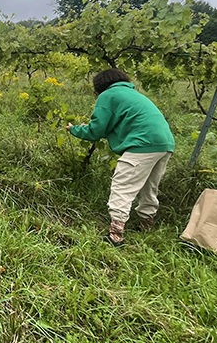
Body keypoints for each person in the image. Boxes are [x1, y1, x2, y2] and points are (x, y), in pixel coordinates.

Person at [66, 68, 175, 246]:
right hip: (164, 143)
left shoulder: (108, 95)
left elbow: (96, 130)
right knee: (148, 186)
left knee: (122, 185)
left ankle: (116, 235)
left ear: (99, 87)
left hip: (141, 143)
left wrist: (75, 129)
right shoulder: (131, 93)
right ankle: (146, 225)